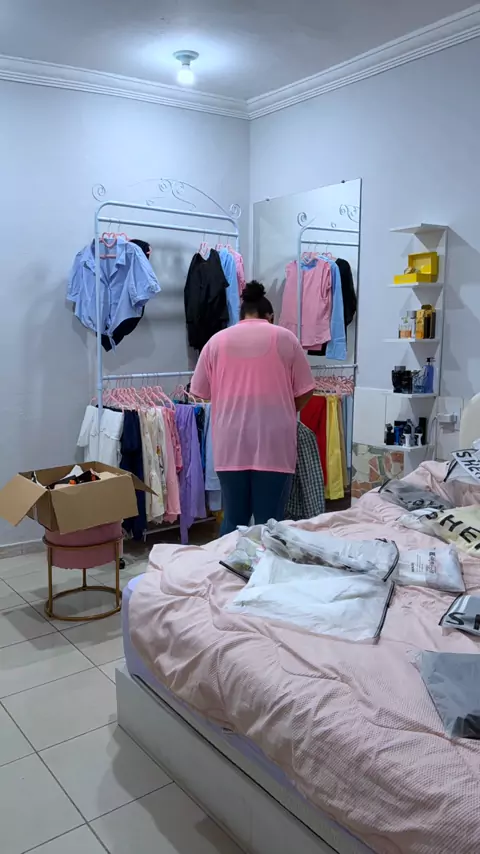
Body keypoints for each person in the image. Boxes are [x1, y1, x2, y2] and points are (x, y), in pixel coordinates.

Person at [190, 280, 315, 534]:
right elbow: (306, 390)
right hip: (274, 441)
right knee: (270, 523)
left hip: (230, 441)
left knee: (233, 519)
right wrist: (284, 409)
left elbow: (199, 392)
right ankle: (266, 561)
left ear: (241, 315)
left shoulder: (216, 342)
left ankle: (229, 560)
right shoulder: (286, 338)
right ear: (270, 316)